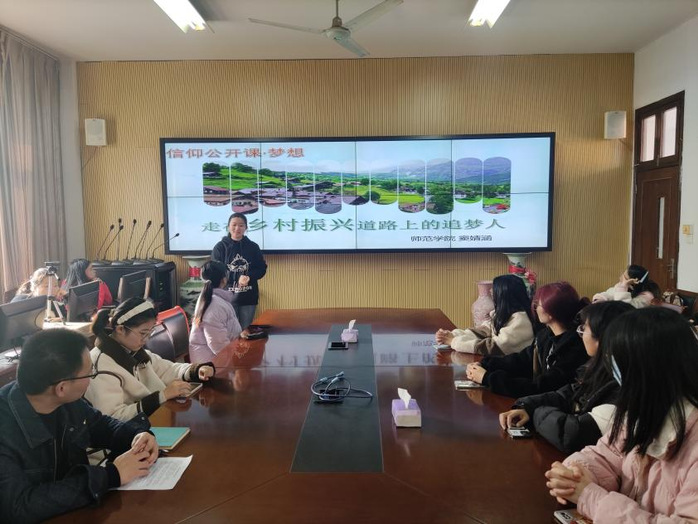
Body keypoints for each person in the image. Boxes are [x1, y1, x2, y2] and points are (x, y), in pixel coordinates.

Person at [545, 307, 698, 523]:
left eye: (618, 363)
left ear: (649, 369)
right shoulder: (646, 408)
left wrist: (590, 497)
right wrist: (575, 474)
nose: (613, 371)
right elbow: (607, 454)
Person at [0, 328, 158, 523]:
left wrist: (137, 435)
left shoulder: (66, 402)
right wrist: (110, 475)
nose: (93, 377)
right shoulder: (5, 430)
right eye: (89, 373)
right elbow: (18, 507)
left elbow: (101, 426)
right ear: (62, 388)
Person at [499, 301, 634, 453]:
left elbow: (573, 433)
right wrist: (527, 407)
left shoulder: (624, 380)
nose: (580, 334)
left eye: (584, 328)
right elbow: (569, 394)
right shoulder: (599, 366)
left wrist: (535, 413)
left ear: (603, 337)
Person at [85, 298, 215, 421]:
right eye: (143, 333)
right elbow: (113, 417)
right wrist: (162, 396)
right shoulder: (101, 366)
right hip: (132, 433)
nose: (146, 339)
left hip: (153, 421)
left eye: (150, 332)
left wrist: (196, 370)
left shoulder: (133, 351)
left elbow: (168, 369)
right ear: (120, 329)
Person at [465, 281, 588, 398]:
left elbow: (540, 387)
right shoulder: (545, 336)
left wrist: (487, 378)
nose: (535, 307)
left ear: (551, 311)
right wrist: (486, 364)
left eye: (538, 304)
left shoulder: (574, 348)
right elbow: (522, 360)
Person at [435, 274, 535, 355]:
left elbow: (495, 347)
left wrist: (454, 341)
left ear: (504, 295)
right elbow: (483, 331)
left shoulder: (520, 320)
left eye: (494, 289)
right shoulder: (505, 314)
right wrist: (452, 335)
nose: (491, 291)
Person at [211, 212, 267, 329]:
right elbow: (216, 271)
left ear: (246, 228)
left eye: (241, 225)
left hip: (248, 296)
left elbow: (261, 268)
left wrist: (248, 276)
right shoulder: (220, 247)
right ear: (228, 227)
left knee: (246, 330)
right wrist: (236, 277)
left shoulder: (253, 247)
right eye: (234, 225)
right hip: (227, 297)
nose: (237, 228)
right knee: (230, 330)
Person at [189, 260, 243, 363]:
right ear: (224, 280)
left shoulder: (210, 298)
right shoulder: (214, 304)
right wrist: (238, 358)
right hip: (210, 364)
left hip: (218, 357)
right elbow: (218, 346)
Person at [592, 263, 657, 308]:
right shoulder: (621, 287)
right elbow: (609, 294)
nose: (620, 277)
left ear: (633, 282)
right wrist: (600, 299)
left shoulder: (645, 297)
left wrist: (623, 286)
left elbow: (624, 309)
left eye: (624, 277)